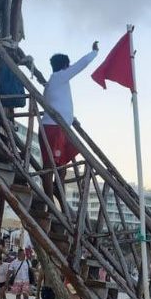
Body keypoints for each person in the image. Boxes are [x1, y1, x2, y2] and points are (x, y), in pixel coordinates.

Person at [38, 41, 100, 202]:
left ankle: (58, 191)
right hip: (53, 127)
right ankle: (49, 201)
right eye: (68, 65)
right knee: (50, 166)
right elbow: (81, 65)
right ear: (65, 66)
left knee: (62, 164)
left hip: (61, 127)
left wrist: (71, 119)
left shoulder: (55, 82)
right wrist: (94, 52)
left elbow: (58, 103)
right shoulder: (59, 77)